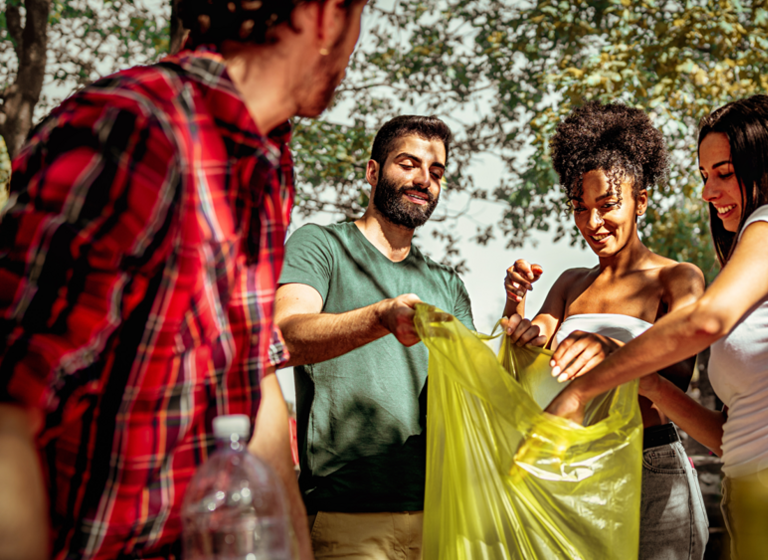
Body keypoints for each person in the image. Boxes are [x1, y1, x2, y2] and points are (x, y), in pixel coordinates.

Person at [0, 0, 367, 558]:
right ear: (326, 15)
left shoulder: (269, 165)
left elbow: (252, 374)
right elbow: (8, 413)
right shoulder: (132, 126)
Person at [544, 95, 768, 560]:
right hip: (759, 502)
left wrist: (582, 388)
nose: (708, 192)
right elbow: (730, 439)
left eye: (724, 173)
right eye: (705, 176)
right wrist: (646, 383)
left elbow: (704, 319)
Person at [501, 102, 709, 559]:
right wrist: (514, 304)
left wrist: (611, 349)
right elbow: (533, 352)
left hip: (651, 467)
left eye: (608, 205)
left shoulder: (677, 278)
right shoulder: (570, 283)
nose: (592, 224)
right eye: (580, 208)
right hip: (578, 469)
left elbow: (675, 370)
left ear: (643, 199)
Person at [274, 115, 474, 559]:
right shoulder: (320, 245)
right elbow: (285, 335)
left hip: (441, 514)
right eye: (408, 164)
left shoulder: (448, 284)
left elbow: (470, 391)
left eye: (436, 172)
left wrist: (516, 324)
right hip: (346, 514)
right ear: (372, 171)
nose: (424, 179)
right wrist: (380, 317)